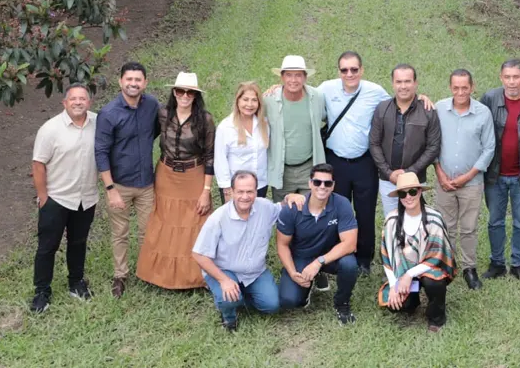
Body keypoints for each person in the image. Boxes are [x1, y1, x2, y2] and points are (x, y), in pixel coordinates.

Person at [191, 171, 305, 332]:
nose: (245, 196)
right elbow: (198, 254)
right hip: (225, 271)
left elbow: (283, 207)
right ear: (231, 192)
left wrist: (290, 197)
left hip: (255, 272)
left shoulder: (265, 207)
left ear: (256, 191)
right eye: (240, 192)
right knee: (229, 298)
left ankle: (239, 296)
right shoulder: (218, 218)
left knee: (272, 305)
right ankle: (228, 315)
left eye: (250, 191)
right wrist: (223, 280)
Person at [136, 72, 215, 290]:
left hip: (194, 175)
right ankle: (160, 275)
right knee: (164, 221)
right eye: (181, 91)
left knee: (194, 223)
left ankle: (196, 277)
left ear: (196, 95)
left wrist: (206, 190)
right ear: (174, 92)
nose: (185, 96)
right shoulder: (163, 114)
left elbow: (210, 156)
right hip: (167, 174)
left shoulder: (205, 120)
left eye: (190, 92)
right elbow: (144, 137)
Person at [316, 51, 389, 276]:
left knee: (365, 211)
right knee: (336, 209)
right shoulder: (326, 89)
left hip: (364, 162)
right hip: (335, 161)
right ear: (338, 71)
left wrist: (422, 99)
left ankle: (364, 258)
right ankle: (336, 255)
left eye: (354, 69)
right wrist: (274, 92)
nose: (350, 74)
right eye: (345, 70)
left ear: (361, 70)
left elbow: (398, 105)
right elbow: (300, 94)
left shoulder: (375, 92)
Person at [29, 84, 99, 313]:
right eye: (73, 99)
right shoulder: (50, 130)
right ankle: (42, 291)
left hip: (86, 198)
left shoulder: (98, 124)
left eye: (83, 99)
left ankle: (76, 283)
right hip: (57, 199)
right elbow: (38, 165)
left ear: (89, 103)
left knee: (78, 243)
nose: (78, 102)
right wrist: (43, 197)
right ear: (65, 103)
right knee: (47, 247)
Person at [95, 61, 161, 298]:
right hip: (119, 184)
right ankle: (120, 275)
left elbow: (157, 129)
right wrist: (110, 188)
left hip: (146, 184)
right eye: (129, 79)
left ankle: (146, 272)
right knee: (120, 232)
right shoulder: (109, 114)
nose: (133, 84)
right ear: (120, 81)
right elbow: (101, 152)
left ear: (145, 82)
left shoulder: (152, 105)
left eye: (138, 80)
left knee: (148, 231)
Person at [479, 58, 520, 283]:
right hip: (494, 174)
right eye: (507, 77)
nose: (512, 82)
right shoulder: (489, 99)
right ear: (501, 77)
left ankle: (518, 264)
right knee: (495, 220)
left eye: (516, 77)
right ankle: (496, 263)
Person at [433, 69, 495, 291]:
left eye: (465, 87)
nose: (460, 92)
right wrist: (439, 173)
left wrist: (468, 176)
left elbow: (489, 148)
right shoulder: (439, 108)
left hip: (471, 183)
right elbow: (433, 143)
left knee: (468, 228)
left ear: (472, 87)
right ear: (450, 87)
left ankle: (469, 268)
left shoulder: (483, 113)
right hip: (444, 181)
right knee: (445, 226)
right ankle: (447, 264)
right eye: (456, 87)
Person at [276, 164, 360, 324]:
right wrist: (293, 272)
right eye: (317, 182)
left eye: (327, 183)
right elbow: (282, 245)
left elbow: (350, 244)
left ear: (333, 185)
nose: (322, 187)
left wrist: (318, 262)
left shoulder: (342, 204)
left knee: (349, 264)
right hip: (302, 255)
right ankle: (306, 284)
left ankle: (342, 303)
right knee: (289, 300)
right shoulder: (292, 209)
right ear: (309, 183)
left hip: (328, 256)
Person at [378, 172, 455, 332]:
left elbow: (437, 256)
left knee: (433, 282)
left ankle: (436, 317)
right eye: (402, 193)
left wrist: (409, 275)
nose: (408, 197)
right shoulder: (391, 221)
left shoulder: (434, 218)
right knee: (396, 306)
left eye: (412, 191)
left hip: (428, 270)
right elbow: (387, 257)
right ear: (398, 196)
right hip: (403, 273)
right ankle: (412, 301)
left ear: (420, 192)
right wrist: (393, 285)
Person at [369, 64, 442, 216]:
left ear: (415, 83)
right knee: (392, 220)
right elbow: (374, 143)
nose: (403, 86)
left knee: (415, 222)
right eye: (399, 82)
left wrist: (409, 172)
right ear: (393, 83)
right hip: (388, 180)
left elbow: (433, 146)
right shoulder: (382, 109)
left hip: (415, 179)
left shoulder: (428, 111)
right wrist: (389, 173)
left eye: (407, 81)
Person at [263, 55, 327, 196]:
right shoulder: (269, 100)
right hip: (282, 171)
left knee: (310, 212)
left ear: (305, 77)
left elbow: (327, 117)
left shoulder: (317, 97)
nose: (293, 80)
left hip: (309, 167)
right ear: (282, 78)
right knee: (284, 214)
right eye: (289, 75)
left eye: (298, 75)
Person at [214, 82, 270, 201]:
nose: (249, 104)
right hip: (236, 189)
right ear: (237, 100)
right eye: (245, 99)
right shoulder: (226, 127)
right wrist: (227, 189)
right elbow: (220, 160)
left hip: (259, 185)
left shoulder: (264, 124)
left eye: (254, 100)